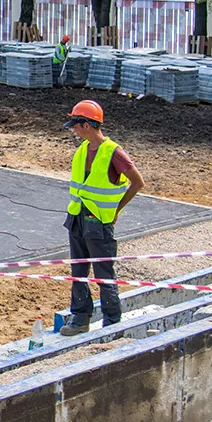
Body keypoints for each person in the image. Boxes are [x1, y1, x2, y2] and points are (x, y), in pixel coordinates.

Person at [59, 100, 145, 336]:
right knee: (78, 272)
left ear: (86, 125)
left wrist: (116, 210)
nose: (74, 131)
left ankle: (112, 322)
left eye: (75, 126)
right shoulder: (82, 150)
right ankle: (80, 318)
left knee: (104, 274)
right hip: (76, 218)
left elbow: (137, 182)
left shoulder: (113, 153)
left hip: (98, 223)